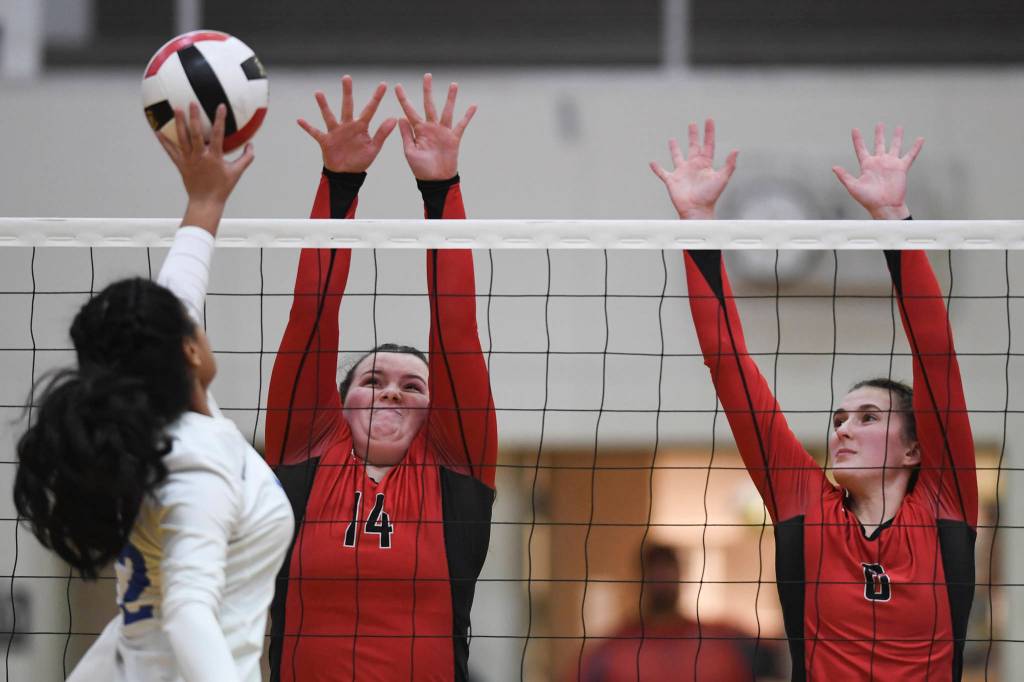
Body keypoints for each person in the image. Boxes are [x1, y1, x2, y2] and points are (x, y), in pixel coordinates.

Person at [650, 119, 976, 681]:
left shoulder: (944, 504)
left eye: (868, 417)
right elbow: (729, 364)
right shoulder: (804, 503)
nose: (843, 430)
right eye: (839, 418)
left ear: (914, 449)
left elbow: (936, 354)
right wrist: (698, 225)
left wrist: (893, 222)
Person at [14, 103, 293, 681]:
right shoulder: (196, 457)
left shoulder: (160, 437)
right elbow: (189, 615)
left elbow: (176, 299)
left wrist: (204, 202)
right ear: (190, 351)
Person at [265, 74, 497, 682]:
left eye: (413, 385)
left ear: (435, 411)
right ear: (337, 405)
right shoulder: (305, 448)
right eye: (373, 380)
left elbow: (456, 331)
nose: (393, 388)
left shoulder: (456, 466)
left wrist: (440, 187)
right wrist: (339, 184)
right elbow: (309, 318)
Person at [570, 542, 756, 681]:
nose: (661, 578)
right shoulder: (611, 650)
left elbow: (780, 658)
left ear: (680, 574)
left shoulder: (724, 640)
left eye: (666, 568)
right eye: (654, 569)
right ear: (640, 577)